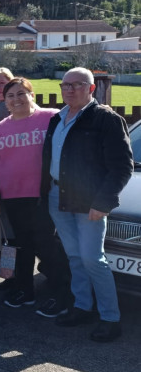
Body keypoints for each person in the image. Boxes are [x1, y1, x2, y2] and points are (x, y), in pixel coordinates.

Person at [43, 68, 133, 341]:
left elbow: (122, 167)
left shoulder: (106, 119)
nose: (69, 90)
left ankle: (110, 318)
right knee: (74, 257)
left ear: (91, 89)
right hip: (58, 197)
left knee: (93, 259)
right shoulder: (57, 119)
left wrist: (103, 203)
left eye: (77, 85)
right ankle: (82, 307)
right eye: (65, 85)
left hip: (90, 202)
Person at [0, 77, 72, 313]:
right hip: (13, 198)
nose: (16, 99)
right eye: (11, 96)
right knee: (22, 246)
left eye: (21, 93)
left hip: (45, 196)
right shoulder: (0, 129)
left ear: (32, 95)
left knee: (47, 246)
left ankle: (61, 295)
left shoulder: (51, 118)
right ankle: (26, 291)